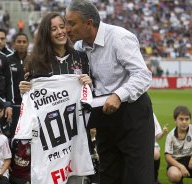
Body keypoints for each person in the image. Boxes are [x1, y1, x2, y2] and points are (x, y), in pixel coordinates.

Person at [65, 1, 154, 183]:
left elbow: (143, 75)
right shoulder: (79, 47)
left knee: (137, 177)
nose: (67, 29)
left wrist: (118, 95)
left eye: (71, 23)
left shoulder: (119, 38)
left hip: (132, 115)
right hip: (104, 116)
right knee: (109, 175)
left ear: (89, 23)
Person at [16, 12, 94, 184]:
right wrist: (24, 90)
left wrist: (89, 84)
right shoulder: (34, 61)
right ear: (46, 33)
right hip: (48, 140)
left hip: (74, 136)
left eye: (62, 26)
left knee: (75, 179)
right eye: (53, 29)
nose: (60, 31)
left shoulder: (80, 57)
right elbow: (30, 100)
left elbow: (89, 96)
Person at [7, 32, 29, 138]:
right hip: (13, 104)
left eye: (24, 42)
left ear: (28, 44)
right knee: (13, 132)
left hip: (29, 103)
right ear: (14, 44)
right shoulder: (7, 59)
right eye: (19, 41)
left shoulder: (33, 59)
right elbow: (6, 83)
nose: (21, 44)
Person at [154, 113, 168, 184]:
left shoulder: (152, 115)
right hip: (134, 145)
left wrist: (163, 132)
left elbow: (157, 136)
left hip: (149, 145)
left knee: (155, 153)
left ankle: (154, 179)